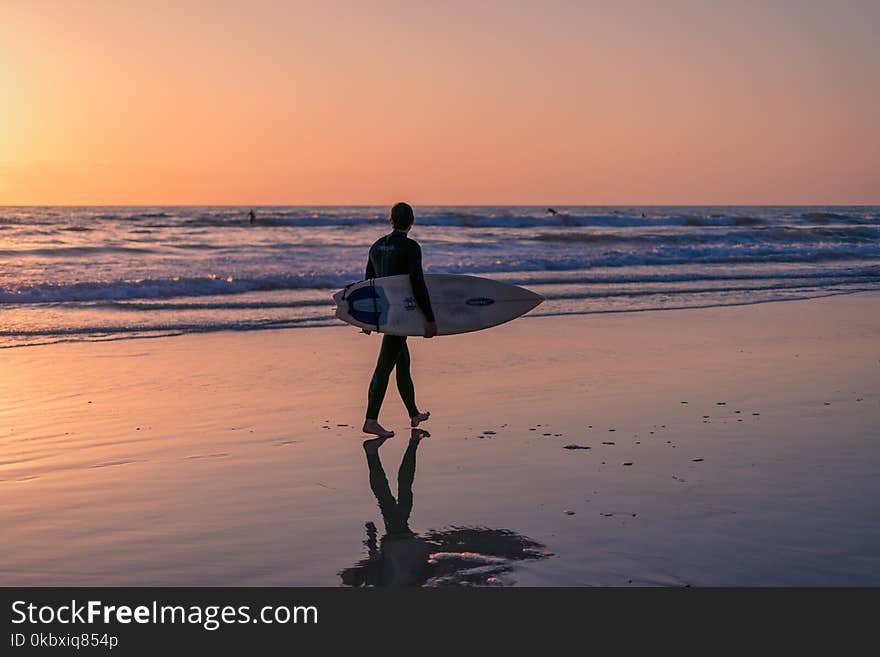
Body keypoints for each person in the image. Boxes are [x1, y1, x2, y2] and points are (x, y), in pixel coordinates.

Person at [362, 202, 436, 438]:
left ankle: (413, 414)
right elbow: (417, 283)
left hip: (385, 314)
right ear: (411, 221)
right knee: (384, 367)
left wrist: (368, 319)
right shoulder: (410, 247)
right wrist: (429, 318)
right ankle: (371, 420)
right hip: (401, 315)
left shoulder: (376, 247)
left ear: (390, 219)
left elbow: (368, 285)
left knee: (402, 362)